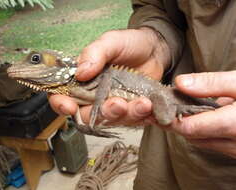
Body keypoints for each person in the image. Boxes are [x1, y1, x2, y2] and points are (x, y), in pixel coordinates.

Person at [49, 1, 236, 189]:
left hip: (219, 168)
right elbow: (156, 7)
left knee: (169, 116)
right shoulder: (72, 83)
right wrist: (155, 42)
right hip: (165, 146)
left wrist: (98, 103)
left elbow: (105, 81)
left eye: (35, 60)